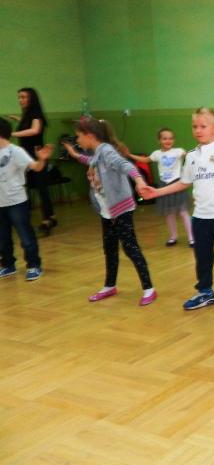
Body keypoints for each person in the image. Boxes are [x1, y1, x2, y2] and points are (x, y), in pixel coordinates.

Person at [141, 108, 214, 317]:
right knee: (202, 257)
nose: (198, 130)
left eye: (203, 126)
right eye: (195, 126)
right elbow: (184, 182)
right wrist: (157, 192)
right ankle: (205, 292)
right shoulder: (192, 156)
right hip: (200, 217)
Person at [63, 118, 157, 306]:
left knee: (130, 248)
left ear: (90, 136)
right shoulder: (97, 153)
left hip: (120, 209)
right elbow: (90, 161)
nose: (77, 140)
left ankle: (149, 288)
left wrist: (139, 180)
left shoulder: (106, 151)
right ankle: (109, 285)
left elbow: (125, 165)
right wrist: (74, 154)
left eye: (79, 136)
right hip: (107, 210)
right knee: (110, 248)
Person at [0, 117, 51, 280]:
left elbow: (36, 167)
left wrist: (41, 159)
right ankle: (8, 265)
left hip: (17, 202)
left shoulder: (16, 151)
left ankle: (34, 265)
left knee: (26, 236)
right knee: (2, 238)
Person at [127, 128, 194, 247]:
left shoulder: (178, 151)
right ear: (159, 140)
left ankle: (191, 238)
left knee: (183, 212)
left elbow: (190, 155)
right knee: (169, 213)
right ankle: (173, 237)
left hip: (177, 184)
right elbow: (145, 160)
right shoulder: (156, 154)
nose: (168, 141)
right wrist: (129, 155)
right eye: (165, 138)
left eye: (170, 138)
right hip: (164, 186)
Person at [10, 88, 56, 235]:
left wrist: (12, 133)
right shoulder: (28, 115)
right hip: (26, 157)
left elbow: (35, 130)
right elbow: (29, 125)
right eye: (19, 97)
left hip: (37, 156)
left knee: (42, 188)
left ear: (31, 99)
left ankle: (48, 219)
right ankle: (48, 217)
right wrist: (18, 119)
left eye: (23, 97)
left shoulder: (36, 114)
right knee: (29, 187)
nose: (20, 100)